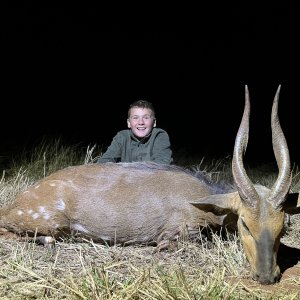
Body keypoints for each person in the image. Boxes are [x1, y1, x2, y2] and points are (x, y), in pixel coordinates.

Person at [97, 100, 173, 164]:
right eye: (135, 118)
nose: (141, 122)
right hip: (126, 178)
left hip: (152, 179)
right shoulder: (122, 136)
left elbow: (162, 165)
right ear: (129, 123)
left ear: (154, 122)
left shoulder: (159, 135)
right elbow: (105, 161)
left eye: (146, 117)